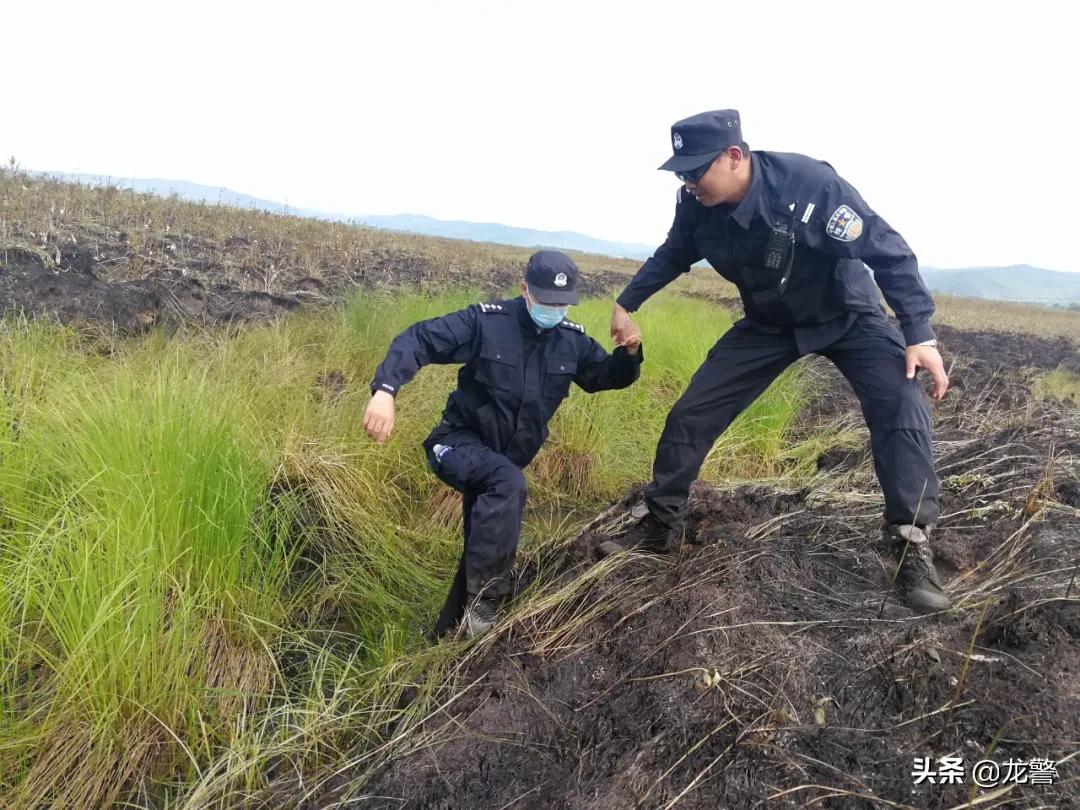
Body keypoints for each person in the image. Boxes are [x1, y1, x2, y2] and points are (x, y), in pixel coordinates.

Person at [606, 109, 951, 613]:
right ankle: (660, 524)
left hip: (847, 316)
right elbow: (675, 252)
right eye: (681, 171)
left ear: (734, 156)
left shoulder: (810, 185)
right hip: (769, 323)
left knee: (901, 405)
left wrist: (919, 333)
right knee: (692, 413)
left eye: (696, 169)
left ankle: (910, 540)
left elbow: (888, 251)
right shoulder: (696, 203)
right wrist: (627, 300)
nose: (688, 181)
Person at [364, 250, 643, 637]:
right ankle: (487, 608)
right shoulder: (486, 322)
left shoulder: (570, 342)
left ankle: (446, 636)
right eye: (547, 301)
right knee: (506, 483)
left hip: (504, 462)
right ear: (524, 288)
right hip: (457, 445)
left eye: (562, 303)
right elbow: (419, 339)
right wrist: (385, 391)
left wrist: (629, 353)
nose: (555, 309)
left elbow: (605, 376)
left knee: (485, 539)